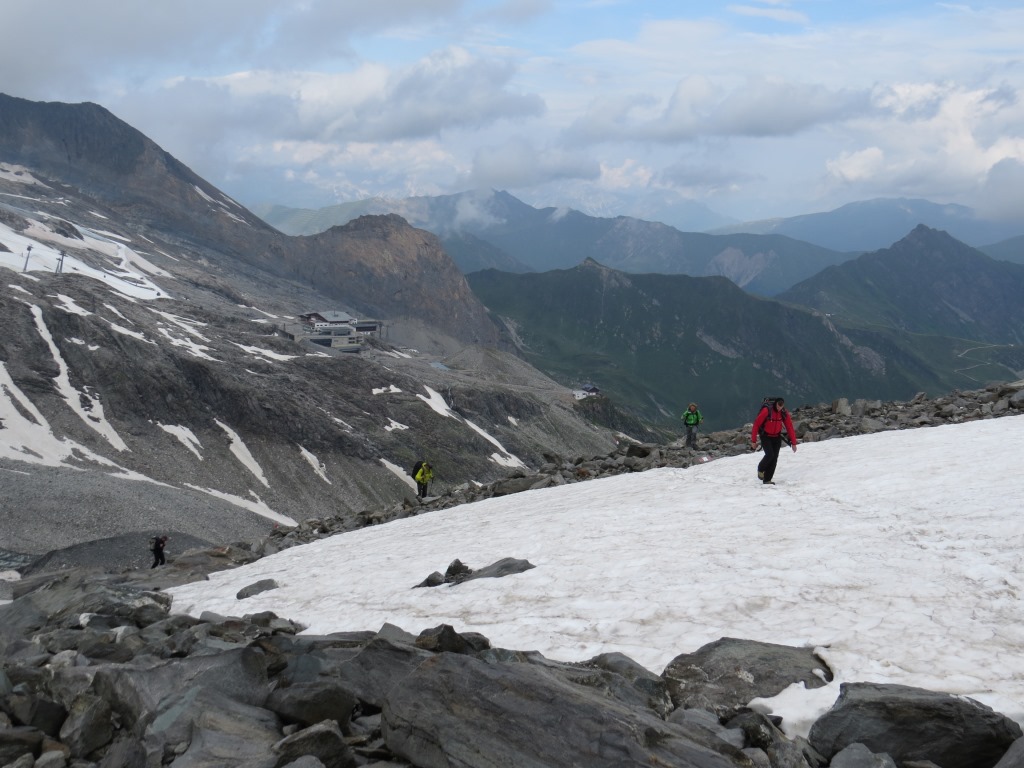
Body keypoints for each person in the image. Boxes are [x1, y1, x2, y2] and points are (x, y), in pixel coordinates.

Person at [751, 398, 797, 484]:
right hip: (766, 436)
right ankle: (761, 468)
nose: (779, 409)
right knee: (770, 455)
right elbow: (756, 424)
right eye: (778, 406)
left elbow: (789, 426)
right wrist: (753, 441)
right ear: (775, 404)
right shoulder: (766, 410)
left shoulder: (783, 412)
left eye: (781, 407)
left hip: (777, 437)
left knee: (774, 458)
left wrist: (794, 443)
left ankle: (767, 480)